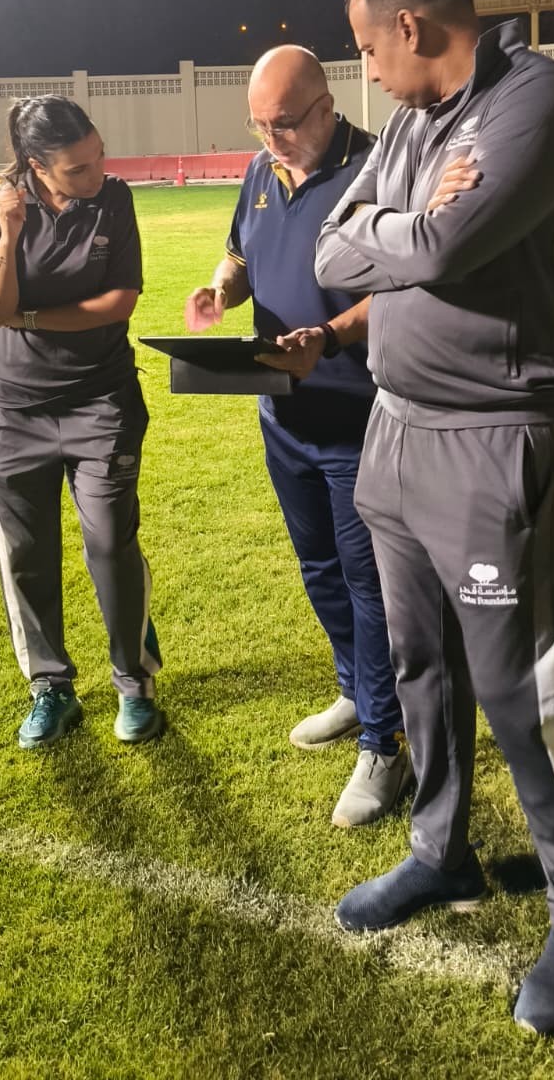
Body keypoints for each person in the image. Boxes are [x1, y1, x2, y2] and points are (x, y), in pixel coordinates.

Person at [314, 0, 554, 1036]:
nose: (366, 70)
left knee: (518, 690)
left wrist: (399, 232)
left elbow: (441, 248)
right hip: (394, 429)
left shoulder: (540, 102)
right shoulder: (407, 126)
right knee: (420, 663)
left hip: (495, 436)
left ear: (411, 24)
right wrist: (406, 225)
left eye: (365, 47)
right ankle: (441, 850)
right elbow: (335, 251)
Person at [185, 46, 411, 827]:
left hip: (360, 414)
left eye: (283, 123)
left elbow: (407, 286)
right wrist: (219, 289)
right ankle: (356, 692)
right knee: (318, 568)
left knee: (369, 582)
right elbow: (239, 253)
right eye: (259, 124)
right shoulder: (261, 169)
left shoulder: (378, 167)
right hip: (281, 412)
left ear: (325, 107)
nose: (271, 138)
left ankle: (384, 742)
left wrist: (332, 337)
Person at [0, 95, 163, 750]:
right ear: (35, 166)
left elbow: (118, 302)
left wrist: (30, 318)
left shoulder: (113, 199)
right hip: (11, 409)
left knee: (110, 543)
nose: (95, 173)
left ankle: (133, 681)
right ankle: (50, 686)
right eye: (77, 168)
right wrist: (10, 232)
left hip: (100, 400)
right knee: (26, 554)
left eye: (98, 156)